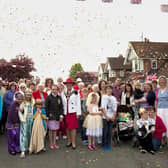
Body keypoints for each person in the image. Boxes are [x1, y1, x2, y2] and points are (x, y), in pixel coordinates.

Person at [62, 78, 81, 149]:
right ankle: (69, 141)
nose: (68, 85)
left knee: (73, 128)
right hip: (66, 112)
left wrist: (78, 113)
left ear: (72, 84)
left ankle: (73, 142)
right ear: (66, 85)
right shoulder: (63, 93)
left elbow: (78, 103)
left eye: (70, 84)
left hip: (73, 112)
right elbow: (62, 103)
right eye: (67, 84)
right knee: (67, 127)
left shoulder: (76, 92)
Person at [45, 85, 64, 150]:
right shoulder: (48, 97)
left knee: (55, 130)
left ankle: (54, 143)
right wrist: (47, 116)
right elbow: (46, 107)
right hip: (50, 116)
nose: (54, 91)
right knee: (51, 130)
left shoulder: (59, 97)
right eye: (53, 89)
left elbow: (61, 107)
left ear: (57, 90)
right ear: (51, 90)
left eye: (56, 89)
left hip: (57, 116)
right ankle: (51, 143)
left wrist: (61, 115)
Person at [18, 89, 34, 158]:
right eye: (27, 95)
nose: (28, 96)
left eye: (30, 95)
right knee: (24, 135)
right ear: (25, 95)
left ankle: (29, 148)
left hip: (31, 120)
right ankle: (23, 150)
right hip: (25, 120)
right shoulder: (22, 103)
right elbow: (19, 112)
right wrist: (22, 119)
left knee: (30, 134)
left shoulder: (33, 102)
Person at [101, 85, 117, 151]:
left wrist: (113, 116)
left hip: (111, 116)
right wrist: (106, 116)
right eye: (107, 89)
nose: (109, 90)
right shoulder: (104, 97)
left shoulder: (113, 98)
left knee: (110, 131)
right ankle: (104, 144)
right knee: (105, 131)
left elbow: (115, 108)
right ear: (105, 90)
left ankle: (108, 144)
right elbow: (103, 107)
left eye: (110, 89)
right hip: (105, 116)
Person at [156, 76, 168, 146]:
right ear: (159, 82)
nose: (162, 81)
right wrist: (156, 110)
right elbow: (156, 101)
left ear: (165, 81)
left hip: (167, 109)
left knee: (167, 123)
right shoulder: (158, 90)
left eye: (163, 80)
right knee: (161, 124)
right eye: (160, 80)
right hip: (159, 110)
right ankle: (162, 140)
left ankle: (167, 139)